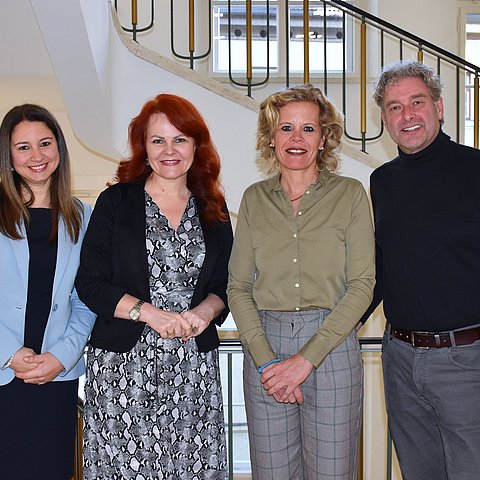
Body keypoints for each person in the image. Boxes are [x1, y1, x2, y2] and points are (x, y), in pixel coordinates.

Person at [76, 93, 233, 479]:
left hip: (192, 366)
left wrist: (204, 312)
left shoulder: (213, 205)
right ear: (143, 148)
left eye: (180, 139)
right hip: (122, 369)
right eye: (158, 140)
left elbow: (225, 285)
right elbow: (90, 283)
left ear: (196, 146)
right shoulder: (116, 201)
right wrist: (151, 315)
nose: (169, 150)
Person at [228, 84, 375, 480]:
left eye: (308, 129)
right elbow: (237, 287)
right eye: (286, 128)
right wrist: (268, 362)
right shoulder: (254, 199)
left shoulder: (350, 195)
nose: (296, 139)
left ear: (324, 138)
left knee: (332, 473)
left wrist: (304, 360)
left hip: (331, 346)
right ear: (271, 138)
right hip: (266, 351)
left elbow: (362, 284)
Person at [361, 60, 480, 479]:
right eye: (394, 107)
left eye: (417, 102)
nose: (406, 115)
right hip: (399, 360)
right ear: (384, 119)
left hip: (467, 360)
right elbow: (378, 269)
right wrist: (331, 327)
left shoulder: (476, 169)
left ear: (440, 107)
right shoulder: (381, 181)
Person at [0, 104, 95, 479]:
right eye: (23, 147)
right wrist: (9, 353)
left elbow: (86, 299)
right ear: (7, 155)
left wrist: (62, 356)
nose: (37, 156)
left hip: (54, 378)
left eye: (45, 143)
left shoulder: (83, 216)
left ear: (59, 148)